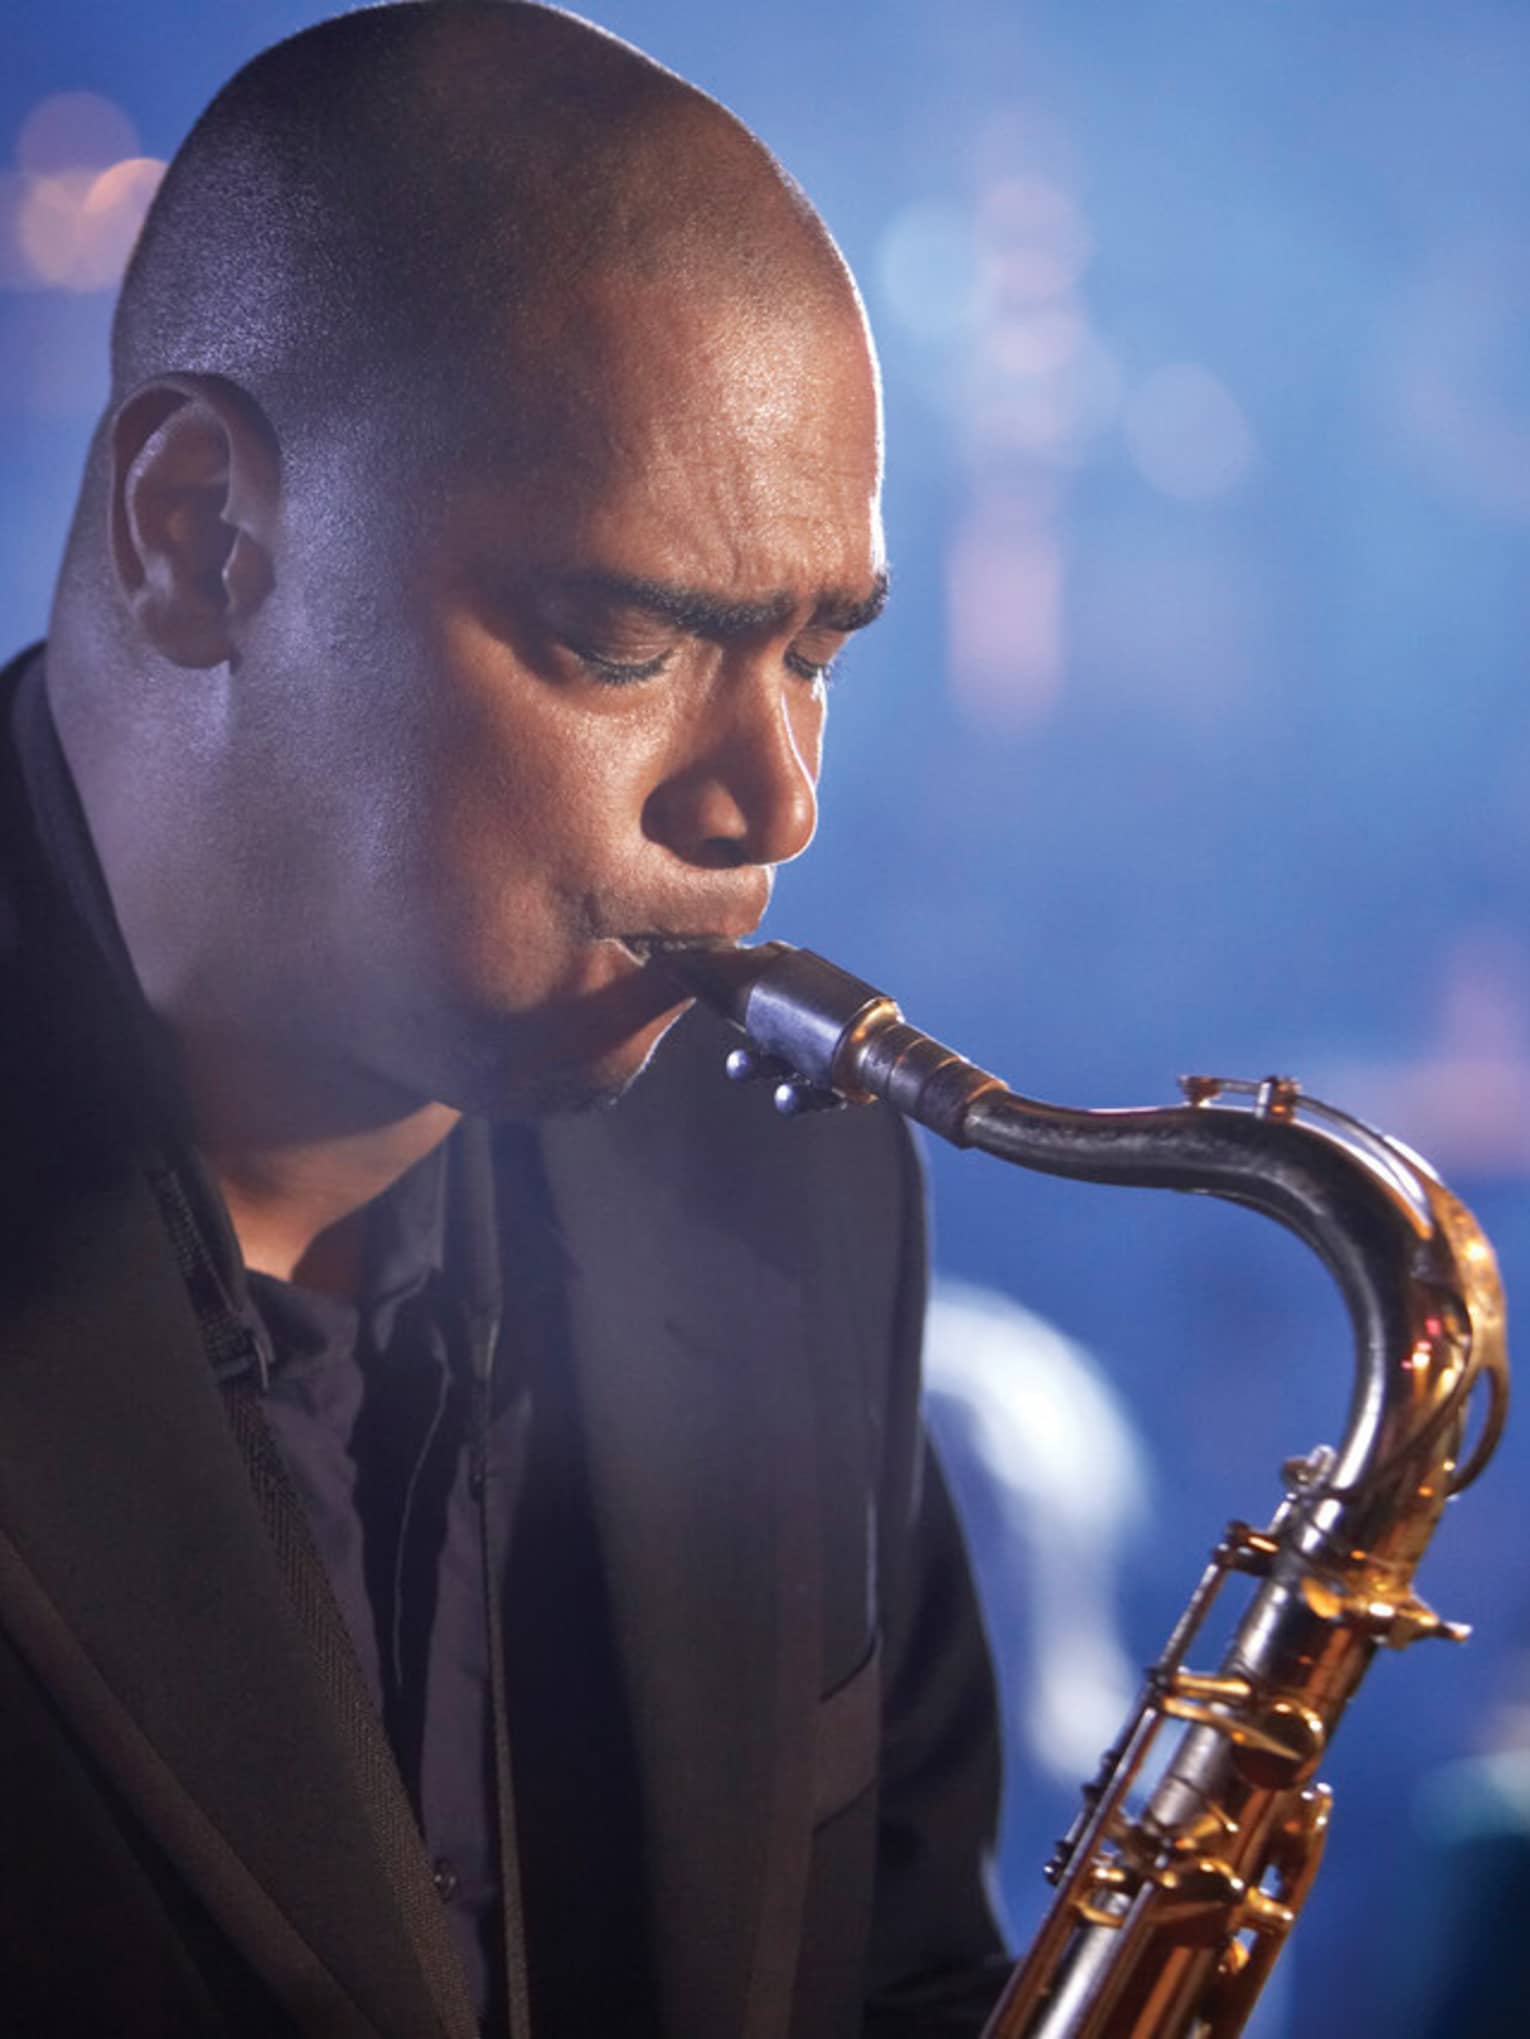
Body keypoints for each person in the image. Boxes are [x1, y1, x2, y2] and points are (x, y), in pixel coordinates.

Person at [0, 3, 1009, 2034]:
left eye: (816, 653)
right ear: (194, 529)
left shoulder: (799, 1181)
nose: (776, 805)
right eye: (625, 637)